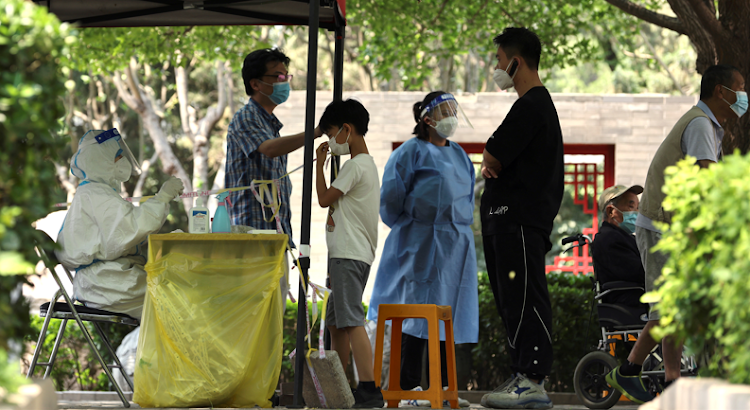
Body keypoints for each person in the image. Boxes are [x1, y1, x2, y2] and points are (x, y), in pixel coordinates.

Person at [607, 64, 747, 404]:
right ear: (720, 92)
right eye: (739, 88)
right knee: (670, 312)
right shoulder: (700, 124)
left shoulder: (707, 126)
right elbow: (706, 184)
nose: (743, 96)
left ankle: (672, 382)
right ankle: (628, 370)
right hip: (660, 228)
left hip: (668, 230)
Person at [366, 91, 476, 408]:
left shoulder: (459, 155)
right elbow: (390, 201)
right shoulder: (410, 152)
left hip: (454, 247)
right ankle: (409, 387)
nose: (451, 117)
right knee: (415, 314)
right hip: (418, 242)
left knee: (445, 315)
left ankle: (441, 388)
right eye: (445, 111)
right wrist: (413, 226)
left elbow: (466, 197)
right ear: (427, 119)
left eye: (454, 110)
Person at [479, 27, 564, 410]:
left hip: (518, 220)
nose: (496, 68)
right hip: (508, 221)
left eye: (499, 61)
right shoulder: (529, 106)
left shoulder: (532, 105)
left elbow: (492, 157)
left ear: (516, 62)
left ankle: (531, 379)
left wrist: (491, 162)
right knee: (513, 300)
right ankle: (522, 376)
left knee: (525, 297)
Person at [225, 48, 323, 305]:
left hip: (273, 235)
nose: (284, 82)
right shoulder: (246, 117)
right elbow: (268, 149)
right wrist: (314, 132)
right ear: (255, 83)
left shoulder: (269, 122)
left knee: (272, 314)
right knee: (254, 314)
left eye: (286, 76)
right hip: (252, 236)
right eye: (278, 77)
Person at [56, 128, 184, 319]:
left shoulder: (93, 192)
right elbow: (133, 228)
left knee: (173, 289)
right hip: (106, 284)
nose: (122, 160)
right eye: (117, 156)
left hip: (104, 280)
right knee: (177, 296)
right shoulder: (96, 193)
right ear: (99, 161)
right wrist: (163, 196)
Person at [314, 99, 383, 408]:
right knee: (336, 322)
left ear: (347, 130)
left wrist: (319, 164)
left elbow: (324, 198)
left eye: (331, 134)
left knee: (351, 319)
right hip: (350, 254)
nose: (330, 142)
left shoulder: (356, 165)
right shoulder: (364, 165)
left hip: (348, 254)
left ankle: (369, 389)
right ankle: (341, 384)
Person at [591, 185, 646, 306]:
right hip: (629, 302)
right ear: (611, 211)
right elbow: (640, 272)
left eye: (638, 208)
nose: (637, 213)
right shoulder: (609, 239)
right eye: (631, 206)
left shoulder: (624, 237)